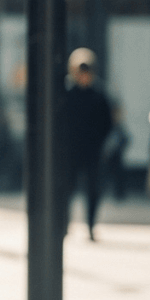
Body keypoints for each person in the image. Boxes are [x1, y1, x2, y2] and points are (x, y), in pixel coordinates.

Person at [60, 48, 113, 242]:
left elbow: (108, 122)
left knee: (93, 190)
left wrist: (101, 142)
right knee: (67, 189)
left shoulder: (99, 94)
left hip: (93, 150)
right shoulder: (66, 92)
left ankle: (90, 225)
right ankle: (64, 224)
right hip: (70, 150)